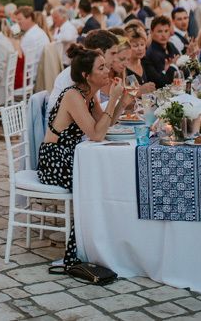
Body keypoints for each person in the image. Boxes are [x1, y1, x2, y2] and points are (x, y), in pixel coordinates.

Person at [37, 45, 132, 266]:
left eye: (106, 66)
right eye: (101, 68)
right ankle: (80, 250)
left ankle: (106, 241)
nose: (107, 71)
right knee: (93, 182)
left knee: (106, 176)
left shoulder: (90, 95)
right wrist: (115, 99)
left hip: (71, 155)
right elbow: (97, 135)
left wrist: (120, 104)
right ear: (86, 75)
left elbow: (104, 126)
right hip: (54, 159)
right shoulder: (73, 96)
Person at [48, 30, 118, 110]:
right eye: (113, 53)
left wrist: (121, 102)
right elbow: (93, 118)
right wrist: (114, 99)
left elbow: (96, 114)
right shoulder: (75, 76)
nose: (116, 59)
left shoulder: (92, 72)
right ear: (98, 52)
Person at [142, 16, 179, 88]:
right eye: (159, 31)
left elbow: (184, 71)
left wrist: (190, 58)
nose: (163, 35)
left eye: (166, 31)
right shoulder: (150, 54)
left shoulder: (171, 45)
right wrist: (173, 66)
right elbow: (161, 83)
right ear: (151, 32)